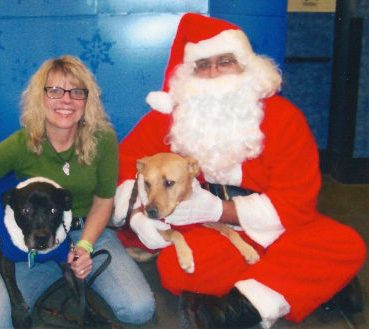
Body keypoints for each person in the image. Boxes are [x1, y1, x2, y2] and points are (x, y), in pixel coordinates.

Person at [113, 13, 366, 329]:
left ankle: (238, 307)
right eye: (203, 65)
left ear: (247, 66)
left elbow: (296, 204)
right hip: (211, 234)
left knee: (344, 243)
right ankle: (310, 283)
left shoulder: (285, 119)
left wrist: (220, 208)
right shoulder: (168, 119)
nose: (214, 73)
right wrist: (137, 214)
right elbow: (123, 169)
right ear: (188, 75)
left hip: (279, 227)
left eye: (225, 61)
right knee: (177, 268)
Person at [0, 55, 155, 328]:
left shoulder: (102, 140)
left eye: (76, 92)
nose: (66, 100)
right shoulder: (22, 143)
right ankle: (57, 272)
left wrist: (85, 246)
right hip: (34, 239)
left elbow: (104, 200)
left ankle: (69, 271)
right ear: (39, 98)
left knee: (139, 310)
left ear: (86, 100)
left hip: (88, 230)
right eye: (54, 90)